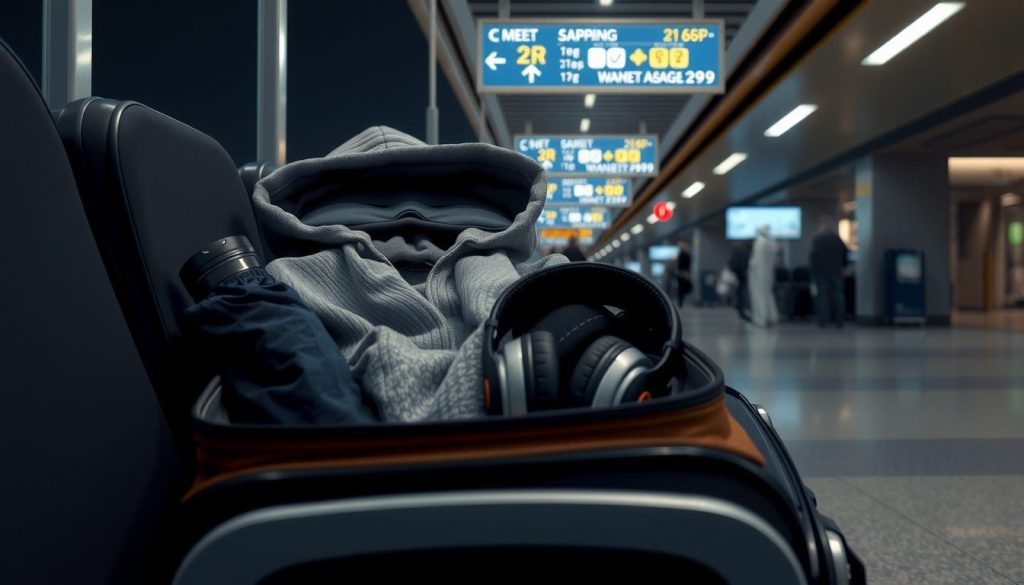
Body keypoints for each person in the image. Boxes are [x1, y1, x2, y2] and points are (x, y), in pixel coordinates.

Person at [809, 215, 849, 328]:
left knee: (822, 296)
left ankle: (823, 321)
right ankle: (840, 320)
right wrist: (844, 267)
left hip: (821, 272)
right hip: (836, 271)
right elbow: (845, 253)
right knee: (839, 295)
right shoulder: (837, 238)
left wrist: (813, 271)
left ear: (821, 226)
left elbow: (813, 257)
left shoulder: (817, 239)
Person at [748, 224, 780, 327]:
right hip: (768, 274)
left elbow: (755, 261)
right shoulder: (772, 242)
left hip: (758, 273)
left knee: (759, 296)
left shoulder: (760, 242)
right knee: (768, 294)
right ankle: (771, 316)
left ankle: (761, 319)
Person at [728, 241, 752, 321]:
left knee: (739, 291)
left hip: (737, 273)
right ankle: (741, 307)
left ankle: (739, 307)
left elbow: (730, 262)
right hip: (743, 273)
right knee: (742, 291)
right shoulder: (746, 252)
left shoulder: (736, 251)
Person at [675, 241, 693, 306]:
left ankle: (680, 302)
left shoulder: (681, 254)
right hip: (685, 272)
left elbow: (679, 264)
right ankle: (681, 301)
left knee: (681, 287)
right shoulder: (687, 254)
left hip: (681, 272)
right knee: (683, 287)